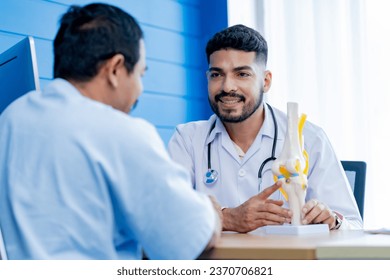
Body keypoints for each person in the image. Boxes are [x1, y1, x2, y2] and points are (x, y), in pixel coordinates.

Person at [0, 3, 221, 260]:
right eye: (140, 74)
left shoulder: (10, 119)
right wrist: (211, 210)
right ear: (116, 68)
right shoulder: (122, 132)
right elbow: (192, 236)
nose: (139, 90)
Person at [168, 24, 362, 233]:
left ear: (266, 81)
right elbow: (165, 215)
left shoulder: (309, 138)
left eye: (242, 74)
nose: (227, 87)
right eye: (217, 74)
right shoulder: (187, 139)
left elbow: (354, 227)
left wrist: (333, 221)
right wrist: (227, 218)